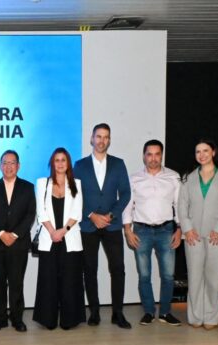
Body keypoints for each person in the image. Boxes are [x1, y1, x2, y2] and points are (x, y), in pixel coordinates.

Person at [73, 123, 132, 329]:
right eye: (98, 136)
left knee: (118, 269)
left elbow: (125, 193)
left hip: (112, 225)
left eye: (106, 137)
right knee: (89, 270)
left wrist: (111, 215)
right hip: (88, 225)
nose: (102, 141)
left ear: (109, 140)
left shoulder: (118, 164)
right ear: (92, 139)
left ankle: (118, 313)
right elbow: (75, 194)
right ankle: (95, 312)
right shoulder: (80, 166)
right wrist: (91, 215)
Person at [122, 140, 183, 326]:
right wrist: (127, 230)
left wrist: (180, 229)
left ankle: (165, 312)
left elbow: (179, 205)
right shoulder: (133, 178)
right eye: (149, 154)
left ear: (161, 155)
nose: (153, 158)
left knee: (168, 276)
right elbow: (128, 205)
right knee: (144, 275)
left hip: (166, 231)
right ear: (144, 156)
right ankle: (148, 311)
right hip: (141, 231)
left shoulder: (173, 177)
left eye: (157, 154)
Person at [178, 139, 218, 330]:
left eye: (205, 150)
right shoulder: (187, 178)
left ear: (213, 152)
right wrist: (187, 228)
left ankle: (211, 317)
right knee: (194, 277)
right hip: (192, 235)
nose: (201, 155)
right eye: (198, 151)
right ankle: (195, 316)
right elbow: (182, 206)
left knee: (214, 278)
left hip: (216, 235)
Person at [33, 148, 85, 330]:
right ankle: (48, 320)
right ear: (52, 163)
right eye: (57, 160)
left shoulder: (76, 184)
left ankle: (69, 320)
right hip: (49, 239)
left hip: (70, 239)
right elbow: (41, 212)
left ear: (68, 163)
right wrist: (52, 232)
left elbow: (77, 212)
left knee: (70, 281)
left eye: (63, 160)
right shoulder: (42, 183)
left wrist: (63, 231)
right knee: (48, 281)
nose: (60, 163)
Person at [0, 150, 36, 332]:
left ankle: (17, 318)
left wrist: (14, 235)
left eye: (12, 163)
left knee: (16, 283)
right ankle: (0, 318)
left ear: (18, 166)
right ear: (0, 166)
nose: (8, 166)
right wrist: (1, 233)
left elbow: (30, 214)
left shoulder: (28, 187)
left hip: (18, 243)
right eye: (5, 163)